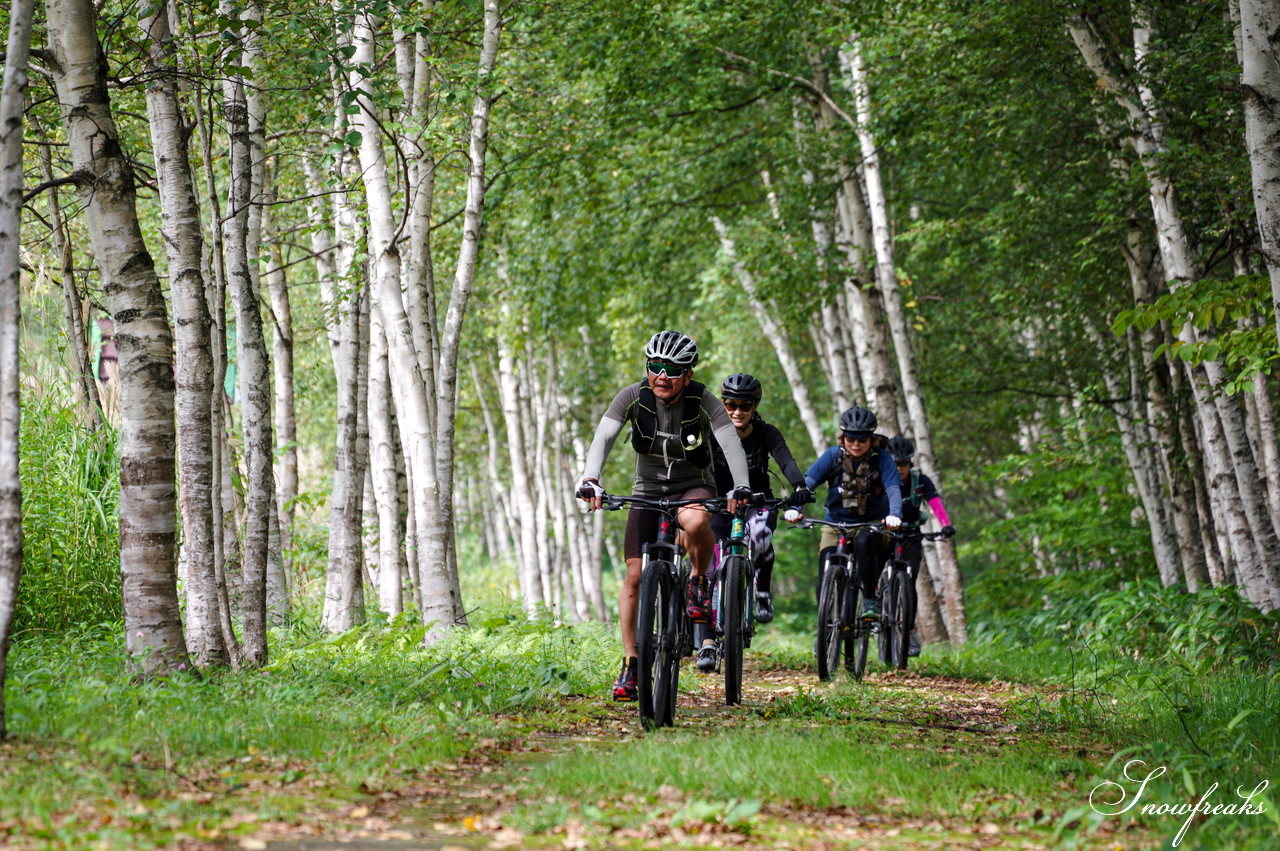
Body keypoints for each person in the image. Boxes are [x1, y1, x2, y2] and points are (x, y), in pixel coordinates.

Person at [577, 331, 751, 702]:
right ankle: (632, 663)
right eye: (655, 367)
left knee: (697, 521)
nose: (662, 376)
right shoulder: (631, 397)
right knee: (635, 578)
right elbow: (604, 436)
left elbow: (730, 443)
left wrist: (740, 486)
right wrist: (591, 478)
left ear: (687, 374)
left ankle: (698, 581)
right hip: (648, 491)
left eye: (672, 369)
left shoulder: (704, 402)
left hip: (693, 487)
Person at [703, 373, 811, 673]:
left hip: (759, 502)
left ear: (755, 406)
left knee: (761, 534)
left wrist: (799, 485)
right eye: (730, 404)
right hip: (719, 505)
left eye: (744, 406)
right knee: (709, 568)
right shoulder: (712, 433)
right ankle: (708, 642)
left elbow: (785, 460)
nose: (737, 411)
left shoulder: (767, 433)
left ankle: (762, 590)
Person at [801, 406, 903, 620]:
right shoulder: (832, 456)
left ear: (870, 438)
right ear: (843, 437)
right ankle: (825, 629)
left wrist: (895, 514)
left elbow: (893, 488)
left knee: (865, 541)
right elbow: (809, 482)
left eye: (862, 440)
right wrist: (795, 507)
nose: (856, 444)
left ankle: (869, 599)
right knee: (826, 565)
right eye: (851, 439)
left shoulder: (882, 459)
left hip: (872, 523)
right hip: (835, 523)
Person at [886, 435, 955, 656]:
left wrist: (945, 525)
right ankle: (875, 599)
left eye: (903, 464)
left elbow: (934, 502)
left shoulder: (920, 480)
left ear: (910, 463)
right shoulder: (881, 478)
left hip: (911, 535)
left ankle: (909, 631)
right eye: (895, 464)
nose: (899, 469)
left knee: (909, 579)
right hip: (885, 533)